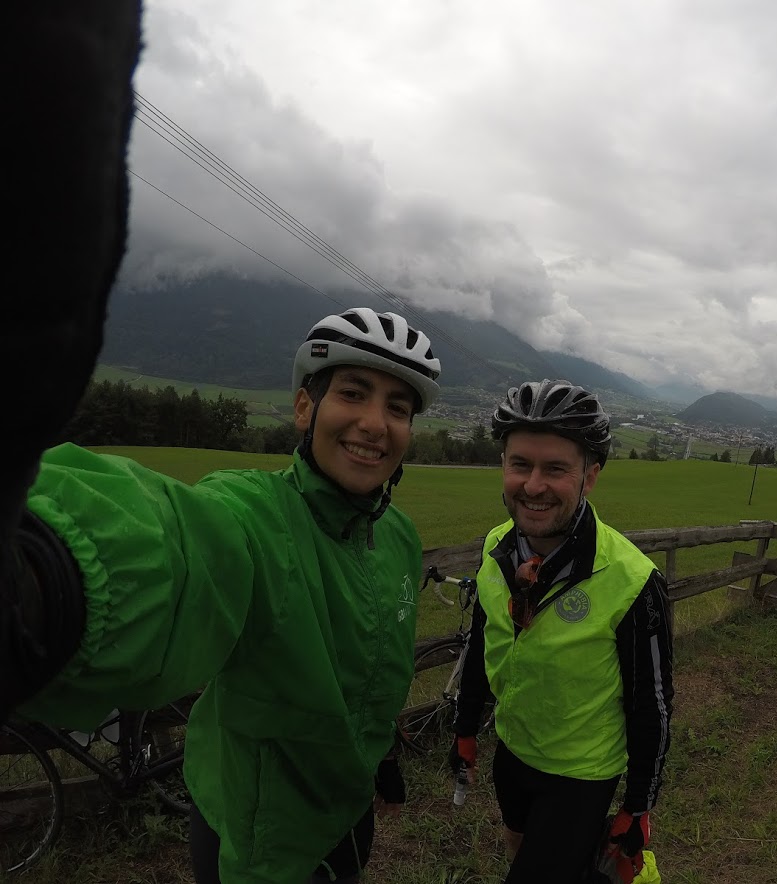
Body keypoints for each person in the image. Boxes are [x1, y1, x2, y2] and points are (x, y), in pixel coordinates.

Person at [1, 11, 441, 879]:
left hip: (348, 811)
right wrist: (42, 578)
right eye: (352, 394)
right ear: (303, 408)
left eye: (398, 406)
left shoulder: (396, 536)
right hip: (255, 835)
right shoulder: (252, 516)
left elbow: (377, 670)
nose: (374, 422)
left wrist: (383, 756)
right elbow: (182, 554)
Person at [449, 379, 675, 883]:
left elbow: (652, 704)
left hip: (579, 775)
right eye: (520, 464)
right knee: (517, 845)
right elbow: (483, 641)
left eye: (555, 469)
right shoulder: (497, 547)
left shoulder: (632, 579)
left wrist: (638, 805)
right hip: (512, 751)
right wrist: (465, 729)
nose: (533, 486)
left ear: (589, 477)